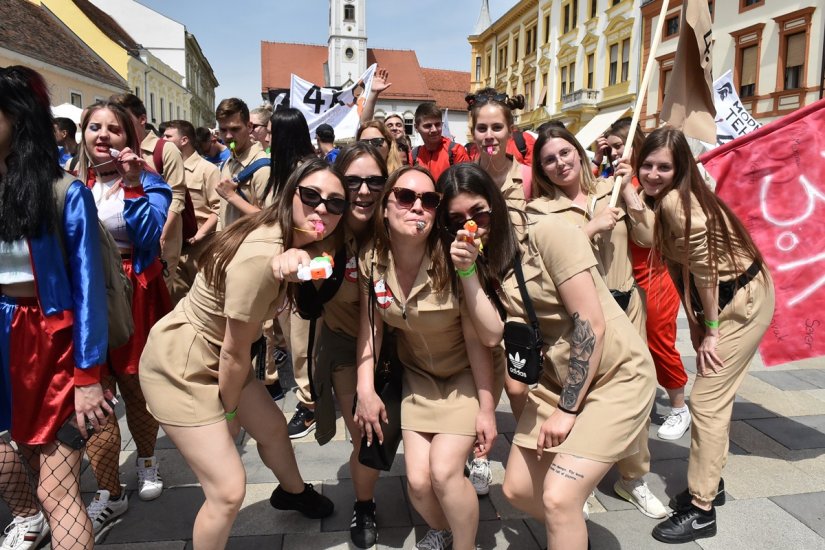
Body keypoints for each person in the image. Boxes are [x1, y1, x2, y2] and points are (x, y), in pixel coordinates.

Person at [445, 162, 655, 550]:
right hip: (554, 380)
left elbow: (591, 323)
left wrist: (568, 410)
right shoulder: (480, 257)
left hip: (615, 376)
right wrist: (469, 273)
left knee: (558, 497)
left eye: (479, 212)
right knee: (519, 490)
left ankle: (566, 524)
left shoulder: (548, 234)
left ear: (496, 204)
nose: (471, 224)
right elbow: (492, 334)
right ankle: (573, 534)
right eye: (456, 218)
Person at [139, 158, 340, 550]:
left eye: (335, 203)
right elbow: (234, 353)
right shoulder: (260, 262)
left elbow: (327, 244)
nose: (322, 209)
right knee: (228, 491)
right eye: (312, 196)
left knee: (273, 430)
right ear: (291, 194)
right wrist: (230, 415)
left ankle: (292, 493)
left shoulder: (287, 230)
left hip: (216, 351)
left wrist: (307, 257)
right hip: (183, 364)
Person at [639, 128, 775, 544]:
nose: (654, 174)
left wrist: (711, 331)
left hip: (742, 300)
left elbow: (705, 272)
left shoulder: (682, 205)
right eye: (647, 165)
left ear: (681, 168)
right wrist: (695, 322)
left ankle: (702, 511)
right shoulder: (662, 201)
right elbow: (680, 268)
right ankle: (710, 483)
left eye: (665, 167)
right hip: (722, 297)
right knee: (715, 397)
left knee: (707, 400)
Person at [355, 166, 499, 550]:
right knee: (417, 484)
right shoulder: (372, 259)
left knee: (444, 473)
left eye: (429, 201)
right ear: (385, 207)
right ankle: (446, 528)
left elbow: (479, 341)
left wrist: (486, 408)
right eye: (405, 197)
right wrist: (364, 387)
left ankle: (465, 545)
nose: (417, 207)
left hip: (465, 376)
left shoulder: (453, 260)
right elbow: (372, 328)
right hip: (418, 379)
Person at [529, 124, 667, 519]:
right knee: (579, 396)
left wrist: (628, 193)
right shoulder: (540, 210)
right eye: (549, 160)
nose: (560, 163)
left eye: (565, 153)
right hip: (580, 322)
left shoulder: (614, 187)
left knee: (632, 398)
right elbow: (542, 265)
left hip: (627, 307)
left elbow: (648, 238)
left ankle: (633, 478)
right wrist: (590, 228)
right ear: (541, 169)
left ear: (578, 151)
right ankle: (578, 478)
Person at [0, 65, 111, 550]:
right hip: (5, 336)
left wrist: (88, 377)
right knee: (16, 459)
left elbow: (89, 290)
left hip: (54, 345)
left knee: (57, 488)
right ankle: (26, 519)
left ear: (17, 119)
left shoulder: (66, 193)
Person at [272, 142, 386, 548]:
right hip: (342, 343)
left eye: (376, 181)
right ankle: (365, 503)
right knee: (364, 435)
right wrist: (289, 256)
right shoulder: (325, 229)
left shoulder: (390, 227)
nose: (365, 191)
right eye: (353, 181)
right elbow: (298, 244)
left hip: (396, 341)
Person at [74, 100, 172, 534]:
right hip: (83, 297)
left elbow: (148, 234)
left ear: (130, 139)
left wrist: (132, 183)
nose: (103, 135)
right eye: (94, 126)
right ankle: (110, 491)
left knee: (135, 388)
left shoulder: (151, 184)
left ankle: (147, 463)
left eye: (114, 129)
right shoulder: (67, 183)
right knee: (94, 397)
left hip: (135, 294)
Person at [603, 118, 691, 440]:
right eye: (610, 147)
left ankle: (680, 407)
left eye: (619, 147)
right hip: (627, 280)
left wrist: (628, 189)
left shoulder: (673, 196)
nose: (613, 153)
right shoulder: (630, 182)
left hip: (657, 280)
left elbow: (647, 236)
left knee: (658, 343)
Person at [464, 89, 531, 497]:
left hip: (520, 296)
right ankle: (480, 456)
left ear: (511, 129)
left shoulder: (528, 176)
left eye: (496, 127)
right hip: (476, 290)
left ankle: (530, 455)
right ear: (472, 131)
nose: (489, 135)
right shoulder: (467, 177)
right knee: (479, 382)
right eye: (482, 128)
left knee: (519, 385)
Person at [265, 107, 317, 436]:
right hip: (281, 267)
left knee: (302, 341)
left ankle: (310, 404)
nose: (265, 136)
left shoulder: (305, 173)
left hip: (302, 267)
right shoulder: (282, 170)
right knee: (290, 334)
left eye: (270, 131)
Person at [109, 93, 186, 295]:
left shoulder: (165, 149)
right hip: (125, 241)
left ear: (142, 119)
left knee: (158, 293)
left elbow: (177, 196)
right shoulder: (112, 150)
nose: (120, 126)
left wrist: (162, 234)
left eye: (126, 120)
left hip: (162, 233)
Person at [162, 120, 221, 303]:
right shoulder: (166, 168)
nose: (163, 140)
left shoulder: (207, 170)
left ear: (184, 140)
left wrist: (200, 235)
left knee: (202, 301)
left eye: (168, 136)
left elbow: (217, 209)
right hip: (174, 246)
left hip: (199, 248)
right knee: (175, 301)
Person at [214, 98, 271, 229]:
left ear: (249, 127)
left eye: (235, 129)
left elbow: (270, 221)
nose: (228, 136)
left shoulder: (263, 167)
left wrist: (231, 196)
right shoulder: (228, 162)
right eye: (223, 130)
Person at [411, 103, 470, 182]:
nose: (434, 130)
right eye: (428, 126)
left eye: (437, 124)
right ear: (416, 128)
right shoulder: (414, 155)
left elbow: (465, 186)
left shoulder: (456, 151)